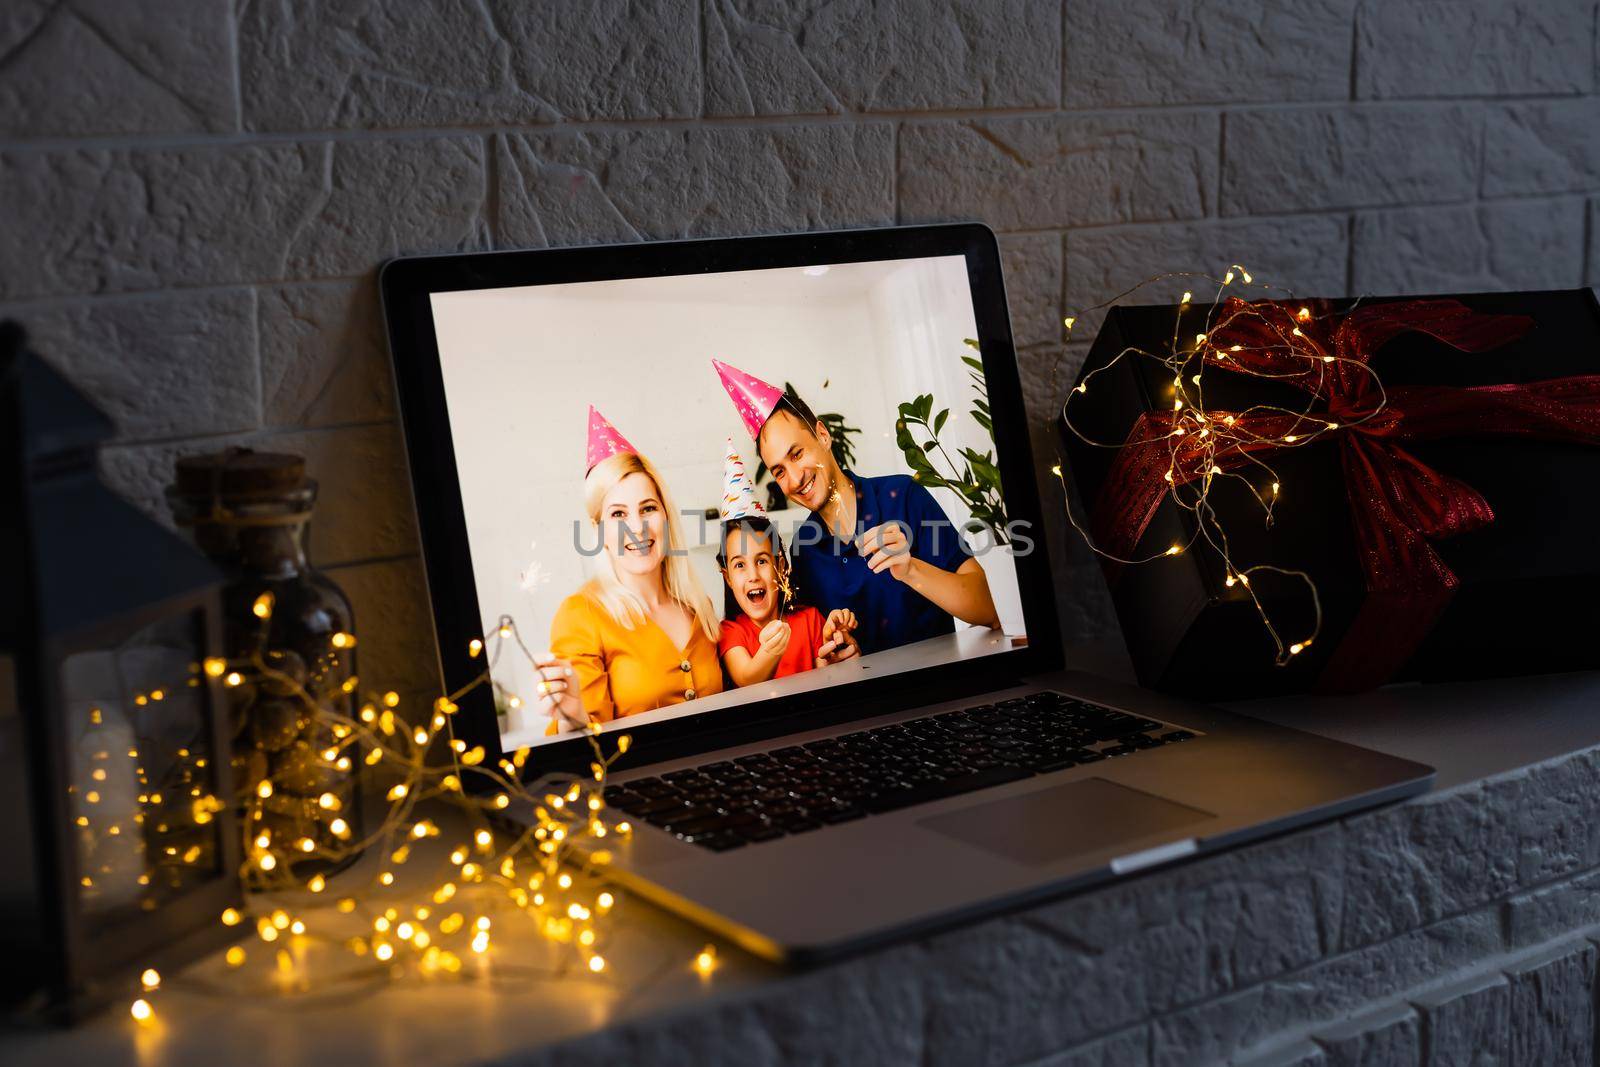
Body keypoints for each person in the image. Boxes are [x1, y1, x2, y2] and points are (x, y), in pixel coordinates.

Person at [712, 359, 997, 656]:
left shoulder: (903, 497)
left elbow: (986, 610)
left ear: (823, 436)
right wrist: (837, 647)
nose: (795, 478)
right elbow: (814, 643)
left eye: (797, 454)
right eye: (779, 471)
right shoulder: (804, 550)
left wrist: (911, 569)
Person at [531, 407, 722, 734]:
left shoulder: (696, 605)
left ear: (665, 514)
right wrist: (572, 717)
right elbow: (584, 748)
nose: (637, 528)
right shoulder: (581, 615)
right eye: (618, 515)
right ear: (599, 530)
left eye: (647, 508)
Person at [712, 439, 858, 686]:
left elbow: (835, 670)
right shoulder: (730, 631)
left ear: (780, 567)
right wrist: (772, 650)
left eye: (761, 561)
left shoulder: (810, 620)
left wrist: (840, 641)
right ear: (727, 577)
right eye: (739, 565)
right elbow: (747, 678)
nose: (753, 576)